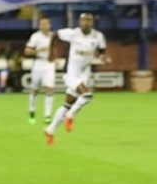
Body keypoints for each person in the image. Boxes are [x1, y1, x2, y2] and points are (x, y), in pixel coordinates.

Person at [44, 13, 110, 145]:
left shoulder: (98, 36)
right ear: (79, 22)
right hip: (71, 73)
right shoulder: (72, 33)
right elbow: (54, 35)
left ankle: (50, 129)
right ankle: (70, 116)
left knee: (67, 104)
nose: (86, 23)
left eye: (89, 20)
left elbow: (102, 51)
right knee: (87, 95)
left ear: (92, 22)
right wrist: (51, 52)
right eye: (83, 20)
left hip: (85, 73)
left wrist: (103, 57)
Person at [24, 17, 55, 124]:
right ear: (39, 25)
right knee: (35, 90)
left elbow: (55, 49)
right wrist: (38, 50)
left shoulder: (53, 36)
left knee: (49, 89)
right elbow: (27, 51)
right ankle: (32, 112)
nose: (44, 26)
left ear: (49, 25)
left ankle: (48, 115)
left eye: (46, 24)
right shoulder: (35, 36)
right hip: (38, 63)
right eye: (42, 24)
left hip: (49, 64)